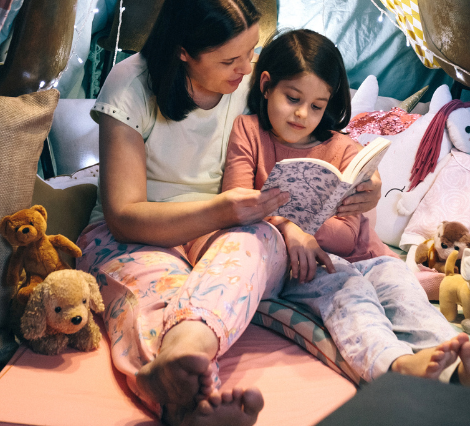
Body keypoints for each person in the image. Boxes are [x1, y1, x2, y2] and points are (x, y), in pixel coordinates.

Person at [75, 1, 383, 425]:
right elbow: (123, 217)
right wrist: (221, 209)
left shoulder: (251, 81)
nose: (247, 68)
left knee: (255, 241)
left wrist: (369, 182)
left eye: (251, 51)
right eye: (229, 60)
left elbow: (322, 134)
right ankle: (188, 402)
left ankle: (187, 356)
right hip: (138, 234)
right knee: (155, 295)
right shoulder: (131, 84)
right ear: (184, 51)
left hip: (232, 229)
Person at [222, 29, 470, 390]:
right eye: (292, 98)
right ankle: (396, 364)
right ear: (266, 86)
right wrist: (289, 227)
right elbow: (236, 201)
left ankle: (458, 365)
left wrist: (306, 223)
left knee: (402, 288)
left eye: (317, 106)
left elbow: (347, 238)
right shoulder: (248, 131)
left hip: (365, 255)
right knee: (350, 293)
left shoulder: (344, 149)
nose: (302, 114)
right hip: (308, 265)